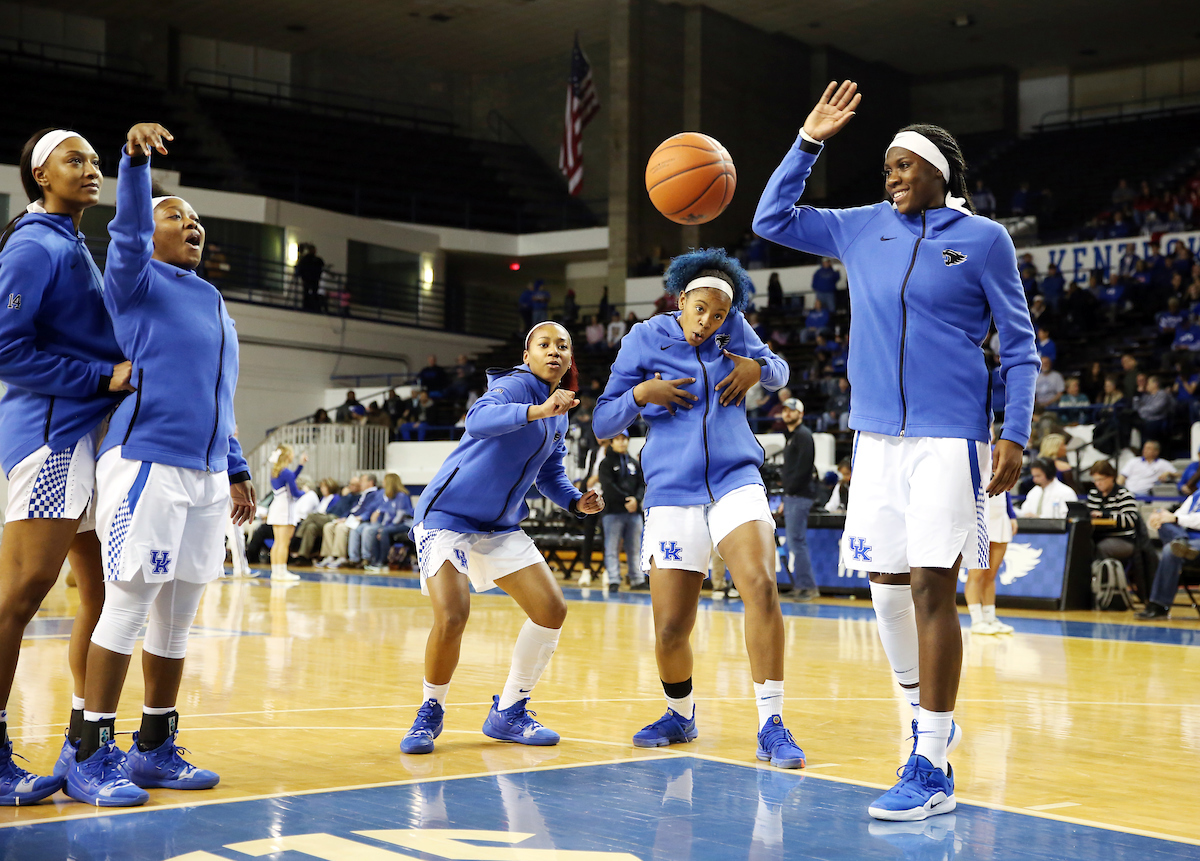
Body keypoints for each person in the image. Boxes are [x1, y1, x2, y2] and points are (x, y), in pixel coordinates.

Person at [754, 82, 1039, 820]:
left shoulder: (984, 240)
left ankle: (932, 762)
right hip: (874, 435)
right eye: (885, 168)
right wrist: (808, 140)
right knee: (884, 585)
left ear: (938, 168)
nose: (891, 177)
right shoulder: (861, 226)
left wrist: (1013, 430)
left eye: (903, 165)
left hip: (949, 435)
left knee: (930, 589)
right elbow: (770, 217)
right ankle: (925, 721)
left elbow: (1020, 345)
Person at [66, 122, 256, 807]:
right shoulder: (135, 278)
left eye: (199, 219)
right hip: (146, 460)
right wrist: (136, 166)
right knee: (129, 604)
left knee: (180, 614)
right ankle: (90, 751)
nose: (192, 225)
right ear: (153, 230)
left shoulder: (212, 302)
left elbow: (221, 395)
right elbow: (127, 232)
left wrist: (235, 465)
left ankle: (153, 746)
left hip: (206, 473)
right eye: (178, 216)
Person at [593, 247, 806, 771]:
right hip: (670, 490)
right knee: (670, 626)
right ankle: (679, 714)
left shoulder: (735, 328)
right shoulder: (643, 338)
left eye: (717, 314)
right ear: (681, 299)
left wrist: (758, 368)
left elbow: (779, 370)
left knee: (759, 585)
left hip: (736, 478)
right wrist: (643, 393)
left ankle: (772, 724)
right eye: (700, 310)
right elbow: (602, 421)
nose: (708, 322)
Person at [0, 128, 134, 805]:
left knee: (101, 597)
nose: (91, 168)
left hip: (84, 438)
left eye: (95, 160)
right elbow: (4, 347)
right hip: (49, 437)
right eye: (74, 159)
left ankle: (85, 743)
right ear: (39, 173)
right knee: (17, 599)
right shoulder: (32, 243)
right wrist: (102, 375)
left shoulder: (73, 241)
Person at [399, 321, 603, 754]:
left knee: (551, 609)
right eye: (544, 345)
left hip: (499, 525)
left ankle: (509, 711)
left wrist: (574, 501)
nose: (554, 352)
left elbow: (549, 473)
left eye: (562, 346)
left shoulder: (559, 412)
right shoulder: (512, 387)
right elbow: (477, 420)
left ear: (569, 358)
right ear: (527, 355)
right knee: (453, 615)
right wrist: (539, 410)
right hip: (447, 516)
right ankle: (429, 712)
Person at [779, 398, 820, 601]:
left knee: (797, 542)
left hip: (799, 495)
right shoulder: (792, 436)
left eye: (791, 410)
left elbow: (803, 469)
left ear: (800, 414)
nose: (787, 413)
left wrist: (790, 492)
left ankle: (807, 586)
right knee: (796, 542)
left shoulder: (803, 436)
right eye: (785, 410)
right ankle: (802, 586)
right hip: (792, 496)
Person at [965, 477, 1016, 635]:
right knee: (977, 573)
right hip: (979, 516)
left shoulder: (1000, 458)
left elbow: (1005, 487)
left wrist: (1011, 514)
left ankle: (989, 618)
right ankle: (976, 620)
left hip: (1000, 515)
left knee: (991, 574)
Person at [597, 431, 646, 592]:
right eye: (617, 439)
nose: (621, 443)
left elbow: (641, 484)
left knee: (635, 547)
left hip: (633, 512)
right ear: (611, 442)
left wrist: (636, 500)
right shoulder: (606, 463)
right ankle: (613, 580)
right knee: (612, 546)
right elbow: (608, 486)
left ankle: (637, 579)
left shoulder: (634, 462)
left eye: (624, 439)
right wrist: (626, 500)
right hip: (613, 511)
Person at [1138, 495, 1200, 619]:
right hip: (1186, 541)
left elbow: (1177, 518)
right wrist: (1158, 518)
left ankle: (1159, 605)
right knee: (1165, 525)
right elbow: (1176, 516)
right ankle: (1180, 541)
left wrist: (1175, 518)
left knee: (1169, 550)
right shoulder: (1196, 495)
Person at [1086, 460, 1140, 568]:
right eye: (1095, 480)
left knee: (1101, 548)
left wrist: (1104, 516)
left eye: (1101, 479)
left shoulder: (1124, 495)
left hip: (1123, 540)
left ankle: (1102, 581)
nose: (1098, 483)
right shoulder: (1093, 495)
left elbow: (1130, 520)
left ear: (1111, 477)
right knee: (1082, 546)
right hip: (1097, 536)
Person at [266, 446, 307, 581]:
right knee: (284, 543)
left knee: (278, 542)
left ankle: (276, 572)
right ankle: (282, 572)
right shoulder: (286, 472)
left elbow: (291, 477)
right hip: (285, 508)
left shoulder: (276, 471)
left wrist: (300, 466)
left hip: (276, 507)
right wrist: (305, 492)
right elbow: (295, 493)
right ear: (288, 455)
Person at [361, 473, 414, 572]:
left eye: (385, 481)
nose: (383, 483)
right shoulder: (390, 497)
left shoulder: (402, 496)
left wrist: (385, 528)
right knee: (378, 530)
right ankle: (375, 561)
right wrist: (383, 527)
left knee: (384, 532)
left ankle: (383, 562)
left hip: (405, 524)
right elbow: (387, 515)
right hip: (392, 525)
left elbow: (400, 516)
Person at [295, 243, 325, 312]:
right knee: (310, 293)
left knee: (311, 293)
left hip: (311, 279)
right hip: (310, 279)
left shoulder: (312, 260)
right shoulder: (308, 259)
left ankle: (311, 306)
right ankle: (311, 306)